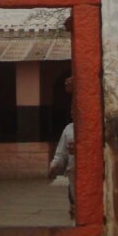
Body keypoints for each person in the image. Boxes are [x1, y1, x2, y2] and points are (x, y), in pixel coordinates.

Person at [48, 76, 75, 221]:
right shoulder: (68, 129)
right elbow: (60, 154)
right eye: (71, 108)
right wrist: (54, 166)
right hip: (72, 177)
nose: (72, 111)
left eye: (75, 107)